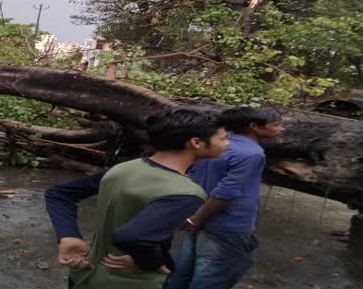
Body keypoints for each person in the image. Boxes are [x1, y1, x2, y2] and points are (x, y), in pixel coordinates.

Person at [44, 108, 228, 289]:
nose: (227, 144)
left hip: (85, 274)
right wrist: (154, 263)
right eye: (223, 138)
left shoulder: (124, 168)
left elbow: (60, 194)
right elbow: (131, 237)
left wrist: (68, 235)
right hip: (128, 282)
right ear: (196, 143)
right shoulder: (187, 192)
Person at [163, 106, 284, 289]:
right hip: (227, 225)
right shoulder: (252, 154)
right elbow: (226, 192)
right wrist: (198, 219)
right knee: (213, 276)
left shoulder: (211, 146)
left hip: (196, 217)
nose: (281, 129)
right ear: (255, 127)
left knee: (183, 272)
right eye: (276, 125)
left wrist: (193, 217)